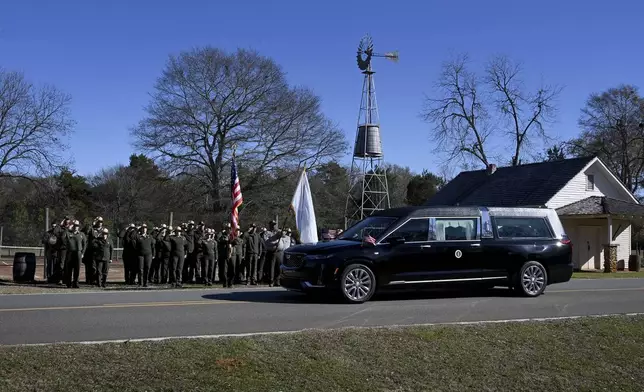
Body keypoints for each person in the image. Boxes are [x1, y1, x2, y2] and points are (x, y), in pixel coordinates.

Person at [64, 220, 86, 288]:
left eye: (77, 226)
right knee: (69, 269)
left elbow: (84, 244)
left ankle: (75, 283)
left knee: (77, 269)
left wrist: (82, 253)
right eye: (74, 225)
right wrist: (68, 229)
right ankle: (68, 283)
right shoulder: (68, 233)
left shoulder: (81, 234)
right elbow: (62, 238)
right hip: (70, 253)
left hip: (78, 253)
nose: (76, 227)